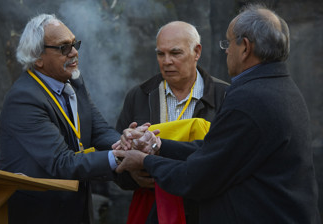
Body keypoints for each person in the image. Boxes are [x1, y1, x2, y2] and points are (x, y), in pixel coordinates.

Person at [113, 4, 321, 223]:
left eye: (228, 42)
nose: (226, 50)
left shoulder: (248, 98)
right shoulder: (280, 87)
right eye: (161, 54)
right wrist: (158, 145)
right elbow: (215, 148)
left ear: (245, 47)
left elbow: (198, 177)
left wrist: (145, 161)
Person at [0, 14, 123, 224]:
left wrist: (129, 141)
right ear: (37, 57)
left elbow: (100, 131)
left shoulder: (73, 79)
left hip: (77, 208)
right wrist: (120, 156)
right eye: (64, 47)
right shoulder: (24, 99)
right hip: (40, 215)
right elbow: (61, 162)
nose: (74, 52)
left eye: (74, 44)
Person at [115, 21, 229, 223]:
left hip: (205, 211)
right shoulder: (139, 96)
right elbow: (115, 161)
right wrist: (133, 176)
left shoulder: (225, 96)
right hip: (153, 211)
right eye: (161, 54)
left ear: (197, 51)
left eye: (175, 53)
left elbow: (229, 162)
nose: (166, 61)